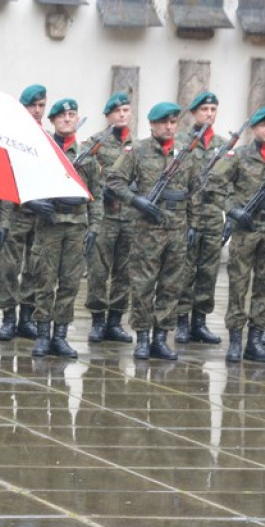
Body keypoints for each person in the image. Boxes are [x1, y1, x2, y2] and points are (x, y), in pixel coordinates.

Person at [106, 102, 192, 361]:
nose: (169, 126)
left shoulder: (185, 154)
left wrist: (195, 225)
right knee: (143, 285)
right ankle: (142, 337)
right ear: (152, 124)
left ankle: (160, 339)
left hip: (177, 229)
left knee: (171, 285)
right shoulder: (138, 151)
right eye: (163, 122)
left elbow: (196, 190)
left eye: (173, 122)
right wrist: (135, 200)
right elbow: (113, 179)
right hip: (147, 229)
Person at [211, 106, 265, 364]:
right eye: (264, 125)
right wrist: (233, 210)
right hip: (245, 231)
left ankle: (255, 341)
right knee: (238, 285)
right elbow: (213, 185)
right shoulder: (238, 156)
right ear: (254, 129)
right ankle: (235, 342)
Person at [30, 98, 101, 359]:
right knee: (44, 281)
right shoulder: (43, 151)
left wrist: (94, 226)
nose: (68, 119)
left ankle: (60, 336)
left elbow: (96, 193)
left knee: (70, 283)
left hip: (76, 226)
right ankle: (41, 335)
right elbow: (27, 186)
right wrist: (35, 204)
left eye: (72, 114)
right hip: (49, 226)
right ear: (52, 121)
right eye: (62, 116)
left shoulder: (87, 155)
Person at [0, 85, 51, 343]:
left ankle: (26, 317)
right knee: (9, 268)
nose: (37, 111)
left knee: (34, 268)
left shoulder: (48, 139)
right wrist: (4, 220)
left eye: (41, 106)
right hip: (16, 212)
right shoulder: (11, 138)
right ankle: (8, 318)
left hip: (41, 215)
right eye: (33, 106)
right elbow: (4, 177)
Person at [84, 91, 135, 344]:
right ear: (107, 116)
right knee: (98, 269)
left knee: (123, 271)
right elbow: (84, 174)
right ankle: (97, 320)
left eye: (126, 110)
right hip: (105, 215)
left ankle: (115, 321)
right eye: (117, 111)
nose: (122, 114)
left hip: (129, 217)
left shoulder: (138, 146)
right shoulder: (95, 143)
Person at [176, 91, 225, 346]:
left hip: (213, 217)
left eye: (213, 110)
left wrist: (228, 214)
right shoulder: (181, 142)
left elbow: (228, 182)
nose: (209, 114)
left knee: (208, 271)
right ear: (194, 112)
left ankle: (200, 322)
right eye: (204, 109)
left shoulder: (223, 145)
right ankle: (181, 321)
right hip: (188, 215)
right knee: (186, 269)